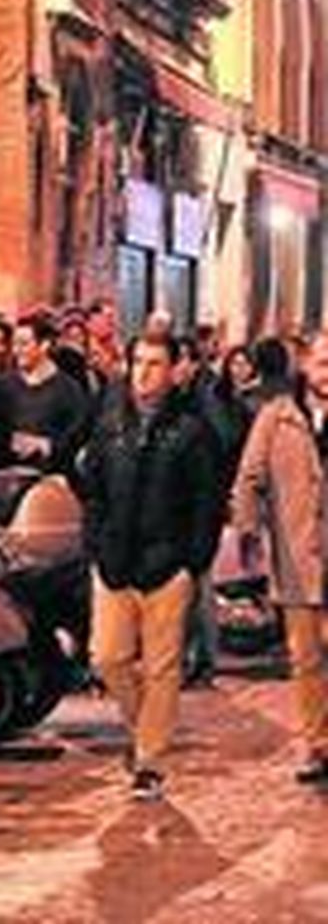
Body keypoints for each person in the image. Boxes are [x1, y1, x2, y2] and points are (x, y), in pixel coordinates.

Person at [73, 334, 222, 801]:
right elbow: (92, 490)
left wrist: (192, 561)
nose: (143, 372)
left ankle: (149, 761)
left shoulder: (193, 432)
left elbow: (208, 502)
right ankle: (144, 731)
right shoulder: (110, 424)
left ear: (174, 371)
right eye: (137, 361)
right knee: (106, 657)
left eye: (155, 363)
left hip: (168, 564)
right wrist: (95, 543)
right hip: (114, 562)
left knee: (162, 667)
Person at [232, 336, 328, 783]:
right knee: (305, 656)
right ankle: (317, 743)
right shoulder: (278, 417)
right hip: (298, 554)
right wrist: (248, 527)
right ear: (305, 365)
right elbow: (250, 476)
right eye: (323, 362)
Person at [0, 313, 92, 474]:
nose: (16, 351)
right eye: (14, 344)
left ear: (44, 345)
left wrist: (46, 445)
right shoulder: (1, 386)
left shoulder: (69, 390)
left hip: (51, 478)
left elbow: (79, 437)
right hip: (6, 475)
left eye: (24, 344)